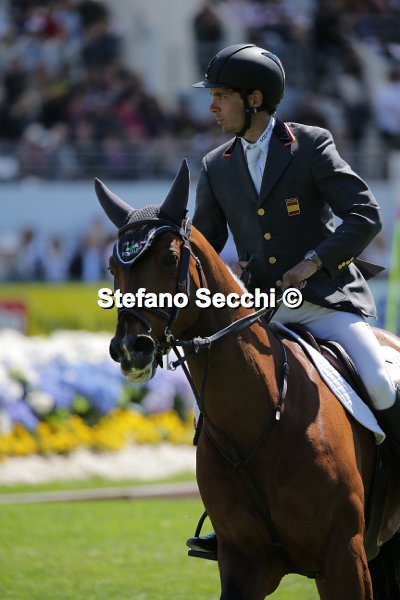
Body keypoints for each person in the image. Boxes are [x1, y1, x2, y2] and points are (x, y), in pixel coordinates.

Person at [186, 42, 400, 556]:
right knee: (223, 403)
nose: (212, 107)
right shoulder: (216, 165)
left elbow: (364, 216)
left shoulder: (310, 144)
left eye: (221, 96)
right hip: (264, 312)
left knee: (379, 381)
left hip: (327, 304)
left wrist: (313, 262)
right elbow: (205, 244)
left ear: (254, 99)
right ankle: (232, 519)